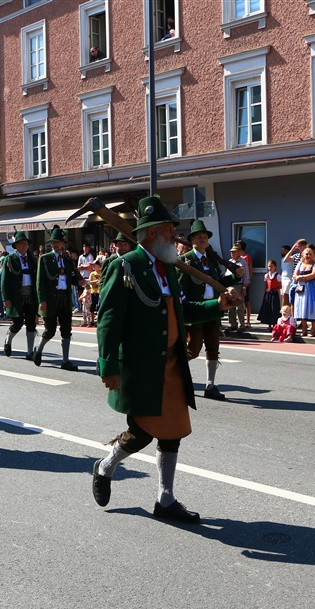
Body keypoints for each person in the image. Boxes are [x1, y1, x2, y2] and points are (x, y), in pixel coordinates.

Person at [91, 196, 233, 523]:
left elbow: (183, 312)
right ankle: (105, 466)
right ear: (153, 232)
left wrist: (219, 306)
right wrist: (108, 366)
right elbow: (108, 320)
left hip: (172, 365)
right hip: (140, 367)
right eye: (170, 230)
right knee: (141, 433)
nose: (175, 236)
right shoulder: (125, 266)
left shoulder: (168, 268)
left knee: (173, 432)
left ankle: (165, 499)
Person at [178, 219, 241, 401]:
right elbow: (181, 289)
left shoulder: (212, 262)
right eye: (200, 237)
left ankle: (210, 385)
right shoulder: (185, 261)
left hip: (213, 310)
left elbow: (218, 283)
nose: (204, 239)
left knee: (213, 348)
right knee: (193, 350)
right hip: (196, 311)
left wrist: (233, 278)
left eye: (206, 237)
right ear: (193, 240)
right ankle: (173, 373)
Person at [34, 226, 87, 371]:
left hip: (65, 298)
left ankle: (65, 360)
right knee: (49, 330)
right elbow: (40, 281)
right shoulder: (45, 259)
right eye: (53, 242)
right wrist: (42, 300)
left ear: (63, 244)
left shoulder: (67, 258)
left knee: (66, 330)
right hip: (51, 299)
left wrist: (80, 282)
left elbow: (71, 277)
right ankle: (38, 350)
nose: (55, 244)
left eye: (58, 242)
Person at [0, 231, 39, 360]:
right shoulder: (10, 259)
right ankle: (8, 340)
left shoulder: (32, 259)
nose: (24, 246)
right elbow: (4, 280)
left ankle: (29, 352)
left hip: (30, 295)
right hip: (16, 296)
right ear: (16, 246)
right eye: (21, 243)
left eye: (26, 243)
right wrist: (6, 297)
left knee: (31, 324)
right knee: (17, 323)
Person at [292, 247, 315, 337]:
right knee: (302, 307)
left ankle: (313, 330)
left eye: (310, 254)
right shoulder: (300, 264)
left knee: (311, 307)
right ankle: (303, 329)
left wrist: (301, 277)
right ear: (303, 255)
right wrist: (298, 277)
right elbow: (295, 275)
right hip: (301, 288)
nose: (308, 256)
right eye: (306, 254)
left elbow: (313, 275)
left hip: (310, 288)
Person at [226, 244, 250, 332]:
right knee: (230, 305)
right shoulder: (230, 261)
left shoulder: (243, 262)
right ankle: (232, 324)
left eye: (233, 252)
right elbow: (227, 274)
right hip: (230, 286)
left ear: (238, 253)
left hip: (239, 285)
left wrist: (244, 288)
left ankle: (241, 325)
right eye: (231, 252)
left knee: (239, 305)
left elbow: (246, 276)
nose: (231, 253)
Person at [258, 259, 281, 328]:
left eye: (272, 266)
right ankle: (269, 325)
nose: (270, 268)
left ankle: (274, 325)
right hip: (268, 293)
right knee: (267, 308)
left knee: (274, 309)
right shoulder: (266, 275)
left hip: (274, 294)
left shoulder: (277, 276)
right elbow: (265, 286)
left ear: (275, 267)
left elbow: (280, 286)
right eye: (269, 266)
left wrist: (275, 289)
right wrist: (265, 293)